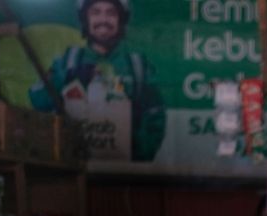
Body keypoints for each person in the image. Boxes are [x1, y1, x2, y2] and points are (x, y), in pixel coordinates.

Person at [30, 0, 166, 161]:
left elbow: (155, 116)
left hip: (124, 171)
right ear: (85, 19)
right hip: (74, 170)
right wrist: (67, 77)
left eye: (111, 13)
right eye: (95, 12)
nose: (103, 19)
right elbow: (37, 100)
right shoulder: (68, 60)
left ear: (121, 20)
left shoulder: (138, 65)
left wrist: (138, 158)